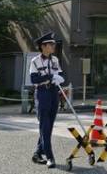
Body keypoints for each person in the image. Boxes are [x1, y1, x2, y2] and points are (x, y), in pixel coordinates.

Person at [30, 32, 64, 169]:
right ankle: (50, 156)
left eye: (53, 44)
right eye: (51, 44)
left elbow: (60, 73)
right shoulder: (35, 61)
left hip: (53, 92)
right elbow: (34, 79)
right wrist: (50, 77)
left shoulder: (55, 59)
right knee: (44, 125)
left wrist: (59, 78)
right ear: (43, 46)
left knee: (49, 125)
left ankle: (37, 153)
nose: (53, 46)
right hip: (42, 93)